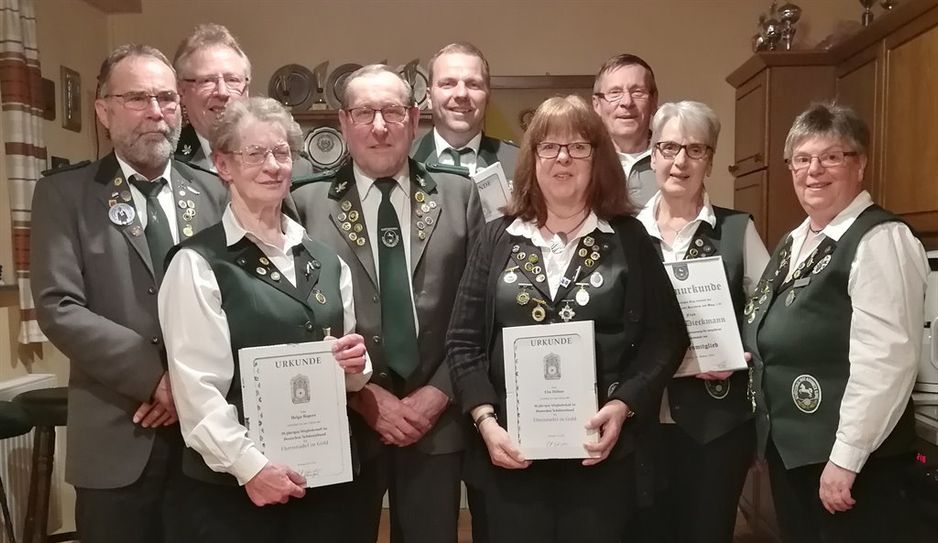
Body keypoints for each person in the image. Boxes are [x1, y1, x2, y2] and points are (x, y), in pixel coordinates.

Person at [445, 94, 688, 543]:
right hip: (509, 458)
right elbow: (462, 341)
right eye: (549, 146)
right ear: (532, 158)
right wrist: (485, 421)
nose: (563, 158)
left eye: (578, 147)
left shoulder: (630, 237)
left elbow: (666, 335)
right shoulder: (495, 238)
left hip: (603, 459)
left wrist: (625, 404)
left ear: (598, 159)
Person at [29, 43, 228, 543]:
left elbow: (241, 298)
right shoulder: (65, 194)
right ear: (104, 109)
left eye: (165, 98)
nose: (156, 113)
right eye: (138, 98)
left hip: (208, 437)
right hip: (117, 431)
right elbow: (59, 306)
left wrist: (186, 387)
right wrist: (155, 379)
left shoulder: (216, 193)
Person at [158, 96, 370, 542]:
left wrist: (357, 366)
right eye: (254, 154)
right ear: (224, 165)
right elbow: (197, 392)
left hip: (324, 482)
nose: (272, 166)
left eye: (281, 153)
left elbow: (350, 375)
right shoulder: (198, 264)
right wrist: (251, 468)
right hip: (236, 493)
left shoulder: (328, 261)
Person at [292, 65, 484, 543]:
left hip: (435, 418)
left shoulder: (458, 195)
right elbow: (296, 319)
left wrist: (439, 392)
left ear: (414, 119)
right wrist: (364, 396)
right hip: (342, 420)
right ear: (343, 122)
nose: (379, 126)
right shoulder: (306, 203)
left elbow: (480, 310)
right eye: (364, 113)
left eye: (392, 112)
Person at [745, 103, 927, 542]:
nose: (814, 171)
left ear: (859, 163)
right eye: (802, 159)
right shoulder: (796, 240)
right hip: (797, 457)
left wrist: (846, 459)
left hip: (849, 466)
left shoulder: (880, 240)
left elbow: (885, 362)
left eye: (831, 157)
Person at [635, 101, 769, 543]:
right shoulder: (624, 234)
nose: (680, 161)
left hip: (718, 428)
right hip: (640, 426)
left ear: (710, 159)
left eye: (695, 149)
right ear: (651, 155)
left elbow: (767, 319)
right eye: (669, 147)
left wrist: (743, 355)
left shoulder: (737, 230)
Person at [172, 23, 313, 175]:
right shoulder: (167, 165)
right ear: (182, 91)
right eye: (207, 81)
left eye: (232, 80)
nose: (222, 92)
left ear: (246, 89)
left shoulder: (291, 166)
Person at [412, 42, 518, 180]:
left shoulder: (519, 162)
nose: (461, 94)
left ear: (488, 97)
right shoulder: (403, 159)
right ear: (429, 97)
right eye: (448, 84)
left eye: (473, 84)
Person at [592, 54, 659, 207]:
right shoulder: (581, 162)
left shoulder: (673, 160)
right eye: (615, 93)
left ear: (654, 100)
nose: (627, 102)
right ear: (597, 105)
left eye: (637, 92)